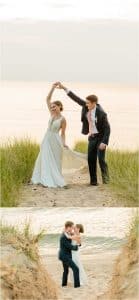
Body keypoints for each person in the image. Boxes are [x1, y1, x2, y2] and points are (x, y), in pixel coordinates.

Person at [58, 82, 111, 186]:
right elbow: (76, 98)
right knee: (91, 159)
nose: (86, 104)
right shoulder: (86, 107)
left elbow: (107, 129)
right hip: (92, 137)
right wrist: (64, 88)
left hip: (101, 137)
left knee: (101, 160)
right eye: (86, 103)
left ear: (94, 103)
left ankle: (107, 182)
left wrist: (104, 142)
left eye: (88, 103)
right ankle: (93, 181)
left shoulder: (102, 113)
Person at [31, 82, 67, 188]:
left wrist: (64, 143)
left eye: (54, 106)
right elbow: (47, 99)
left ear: (60, 107)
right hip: (47, 138)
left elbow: (63, 133)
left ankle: (55, 178)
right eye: (51, 107)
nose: (52, 108)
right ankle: (43, 178)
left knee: (55, 159)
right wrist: (53, 88)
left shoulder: (63, 119)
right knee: (44, 156)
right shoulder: (51, 114)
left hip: (56, 140)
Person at [58, 221, 80, 288]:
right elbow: (71, 247)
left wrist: (77, 233)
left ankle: (63, 284)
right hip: (64, 256)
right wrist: (77, 246)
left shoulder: (67, 233)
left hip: (64, 255)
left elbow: (75, 235)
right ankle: (77, 286)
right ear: (68, 227)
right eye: (72, 227)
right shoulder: (63, 237)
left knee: (66, 270)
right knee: (76, 269)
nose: (73, 228)